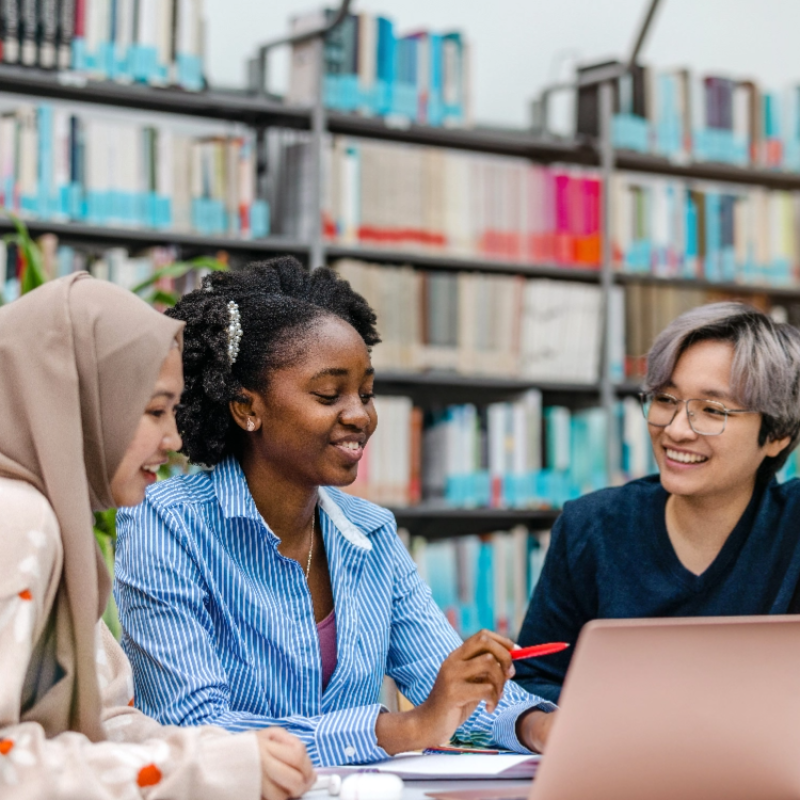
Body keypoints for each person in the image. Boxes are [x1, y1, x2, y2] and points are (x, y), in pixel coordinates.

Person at [114, 257, 556, 767]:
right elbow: (195, 727)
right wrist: (401, 728)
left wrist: (538, 726)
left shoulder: (371, 533)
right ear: (246, 408)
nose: (359, 415)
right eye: (329, 394)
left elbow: (447, 689)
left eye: (366, 394)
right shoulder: (165, 522)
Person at [0, 273, 315, 799]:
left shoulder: (58, 526)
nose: (172, 440)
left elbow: (105, 722)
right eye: (152, 411)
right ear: (77, 403)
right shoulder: (18, 518)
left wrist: (231, 755)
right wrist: (203, 769)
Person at [514, 301, 800, 703]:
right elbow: (533, 678)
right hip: (618, 760)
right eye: (666, 400)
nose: (676, 430)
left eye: (712, 410)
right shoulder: (592, 525)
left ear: (777, 436)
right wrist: (543, 724)